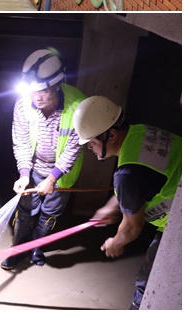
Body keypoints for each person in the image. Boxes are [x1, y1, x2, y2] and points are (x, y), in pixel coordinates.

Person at [73, 96, 181, 310]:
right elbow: (143, 179)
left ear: (111, 135)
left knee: (150, 282)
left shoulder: (126, 175)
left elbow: (132, 227)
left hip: (177, 224)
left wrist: (116, 242)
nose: (90, 148)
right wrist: (113, 205)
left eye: (92, 142)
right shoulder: (141, 132)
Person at [1, 48, 87, 270]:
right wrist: (24, 174)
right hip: (34, 167)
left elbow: (72, 149)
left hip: (62, 174)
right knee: (25, 212)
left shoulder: (79, 107)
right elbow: (21, 141)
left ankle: (37, 247)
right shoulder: (23, 103)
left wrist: (52, 178)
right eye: (32, 90)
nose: (36, 97)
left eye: (43, 91)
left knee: (50, 213)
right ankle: (19, 249)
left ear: (57, 85)